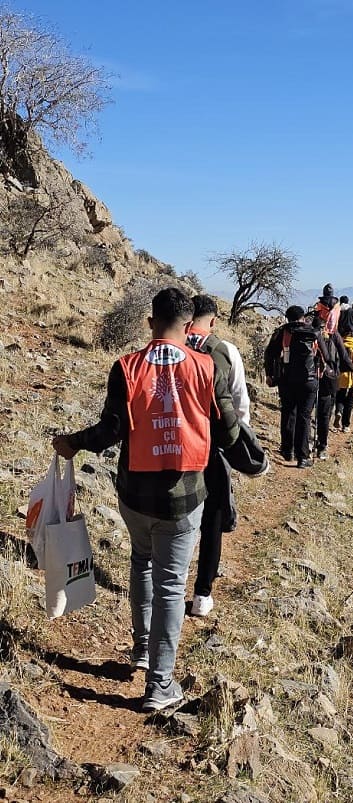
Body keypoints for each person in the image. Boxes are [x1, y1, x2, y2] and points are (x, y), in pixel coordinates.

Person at [52, 288, 241, 712]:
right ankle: (160, 685)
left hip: (134, 495)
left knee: (141, 561)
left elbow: (111, 430)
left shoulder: (127, 367)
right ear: (190, 326)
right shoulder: (207, 367)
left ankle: (141, 649)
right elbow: (229, 431)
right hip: (184, 497)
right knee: (172, 584)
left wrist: (72, 443)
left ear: (151, 322)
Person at [186, 294, 251, 617]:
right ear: (213, 320)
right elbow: (240, 404)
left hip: (175, 445)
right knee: (212, 518)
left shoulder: (172, 346)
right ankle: (202, 593)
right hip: (213, 446)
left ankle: (167, 583)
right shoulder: (226, 351)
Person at [264, 305, 330, 468]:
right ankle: (303, 457)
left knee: (288, 412)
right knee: (304, 416)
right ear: (302, 317)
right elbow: (326, 355)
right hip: (309, 380)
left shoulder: (283, 331)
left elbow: (270, 353)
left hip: (287, 379)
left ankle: (288, 450)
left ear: (288, 318)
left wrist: (270, 374)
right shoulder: (314, 332)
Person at [313, 315, 353, 459]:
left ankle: (300, 449)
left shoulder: (310, 331)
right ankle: (322, 446)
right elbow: (343, 356)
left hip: (309, 377)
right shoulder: (333, 334)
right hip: (329, 378)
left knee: (305, 413)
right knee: (324, 413)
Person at [335, 324, 353, 432]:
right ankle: (345, 425)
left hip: (340, 374)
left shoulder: (340, 343)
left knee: (340, 395)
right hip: (352, 376)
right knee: (350, 400)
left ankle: (338, 411)